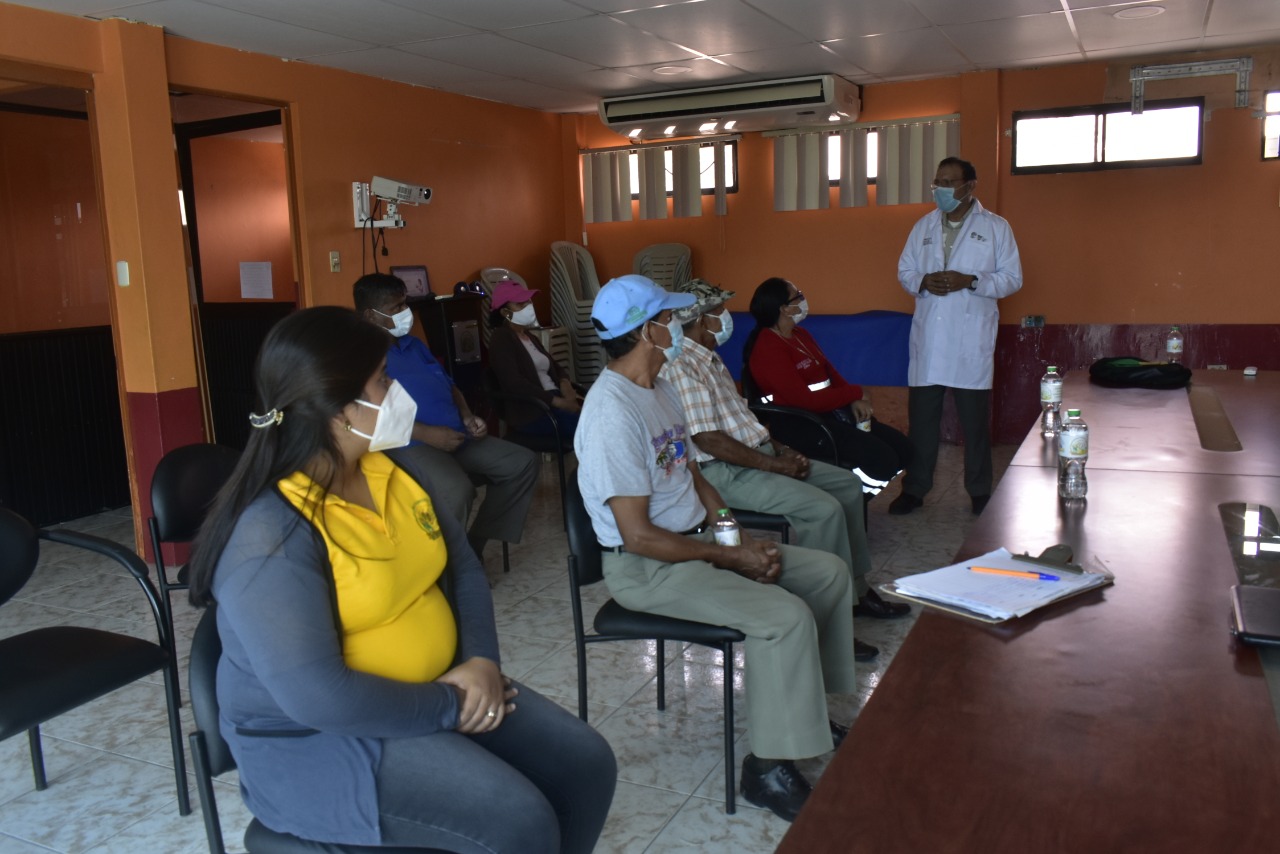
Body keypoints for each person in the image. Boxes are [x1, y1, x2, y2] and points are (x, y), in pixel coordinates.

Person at [186, 306, 615, 852]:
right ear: (339, 408)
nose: (397, 391)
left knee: (586, 764)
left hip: (438, 684)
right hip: (320, 741)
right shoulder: (270, 533)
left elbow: (462, 568)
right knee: (517, 818)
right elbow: (319, 698)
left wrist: (481, 661)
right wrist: (449, 705)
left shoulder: (388, 467)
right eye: (384, 380)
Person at [575, 274, 858, 823]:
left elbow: (695, 478)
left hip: (695, 543)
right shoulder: (612, 413)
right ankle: (766, 770)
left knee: (827, 574)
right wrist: (730, 558)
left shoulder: (660, 389)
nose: (678, 326)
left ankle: (805, 713)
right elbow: (637, 535)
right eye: (669, 318)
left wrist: (734, 535)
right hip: (648, 568)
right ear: (647, 332)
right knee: (784, 617)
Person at [659, 280, 910, 643]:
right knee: (823, 509)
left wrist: (779, 449)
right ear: (700, 320)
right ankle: (828, 619)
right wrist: (774, 465)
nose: (726, 317)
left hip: (756, 453)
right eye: (719, 311)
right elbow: (708, 439)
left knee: (846, 485)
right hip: (725, 471)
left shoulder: (710, 359)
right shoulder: (684, 367)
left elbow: (746, 422)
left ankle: (855, 592)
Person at [353, 273, 539, 559]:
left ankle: (471, 548)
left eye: (405, 304)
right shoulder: (361, 356)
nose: (406, 313)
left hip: (456, 434)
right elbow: (367, 415)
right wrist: (429, 434)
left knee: (521, 463)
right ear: (370, 315)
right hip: (411, 444)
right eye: (396, 308)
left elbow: (449, 386)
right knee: (457, 491)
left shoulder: (414, 345)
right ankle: (441, 566)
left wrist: (467, 416)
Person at [892, 156, 1023, 516]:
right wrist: (922, 281)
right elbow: (905, 270)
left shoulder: (995, 227)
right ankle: (915, 489)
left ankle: (979, 490)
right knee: (922, 423)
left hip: (970, 340)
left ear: (970, 186)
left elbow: (1012, 278)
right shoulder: (923, 226)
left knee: (975, 425)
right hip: (930, 339)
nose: (941, 189)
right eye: (938, 182)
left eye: (949, 182)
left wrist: (972, 280)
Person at [744, 277, 914, 493]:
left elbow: (830, 373)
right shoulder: (768, 348)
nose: (803, 299)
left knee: (904, 450)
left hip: (829, 413)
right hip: (801, 424)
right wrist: (855, 392)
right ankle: (848, 496)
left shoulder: (800, 335)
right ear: (784, 309)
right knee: (883, 460)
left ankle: (855, 495)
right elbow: (803, 401)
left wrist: (854, 399)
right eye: (798, 296)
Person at [486, 279, 583, 440]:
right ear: (505, 312)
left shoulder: (529, 336)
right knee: (590, 428)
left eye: (528, 301)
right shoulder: (501, 338)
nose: (528, 306)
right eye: (520, 304)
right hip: (534, 410)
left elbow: (555, 367)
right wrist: (558, 402)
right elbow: (514, 383)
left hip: (555, 399)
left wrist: (565, 385)